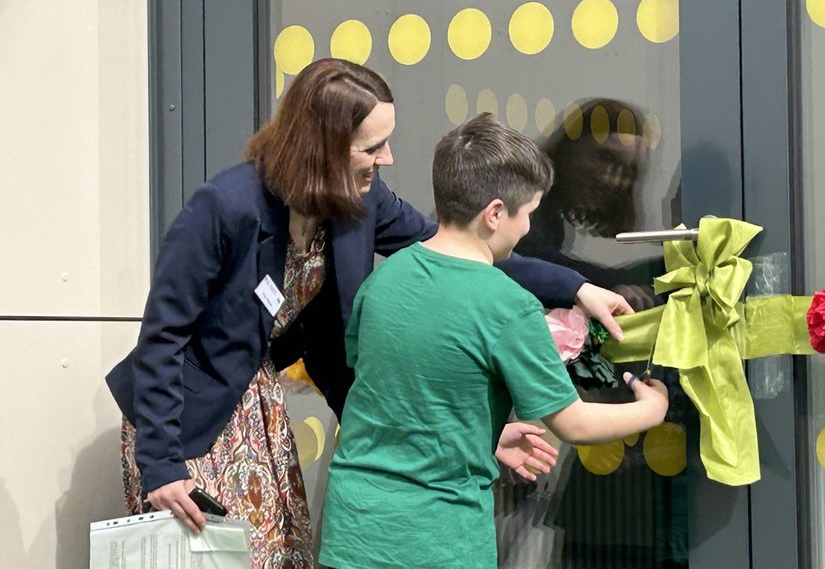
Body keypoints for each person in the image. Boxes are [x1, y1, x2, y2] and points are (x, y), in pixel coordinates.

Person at [105, 59, 630, 567]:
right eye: (373, 146)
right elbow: (163, 337)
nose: (388, 158)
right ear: (323, 147)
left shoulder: (364, 198)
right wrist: (161, 465)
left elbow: (456, 249)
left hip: (260, 407)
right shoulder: (224, 206)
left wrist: (576, 287)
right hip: (186, 419)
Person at [319, 113, 669, 569]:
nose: (527, 230)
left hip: (353, 531)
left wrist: (483, 436)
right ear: (496, 214)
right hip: (438, 541)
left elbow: (398, 401)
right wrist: (652, 409)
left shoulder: (381, 283)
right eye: (528, 215)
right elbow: (574, 424)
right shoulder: (509, 305)